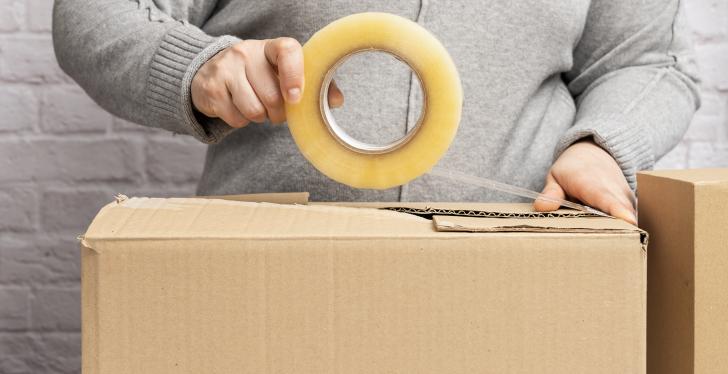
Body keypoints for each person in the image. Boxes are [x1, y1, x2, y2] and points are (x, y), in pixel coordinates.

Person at [52, 1, 700, 224]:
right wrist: (198, 68)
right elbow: (95, 13)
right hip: (264, 279)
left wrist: (602, 145)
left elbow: (645, 62)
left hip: (510, 278)